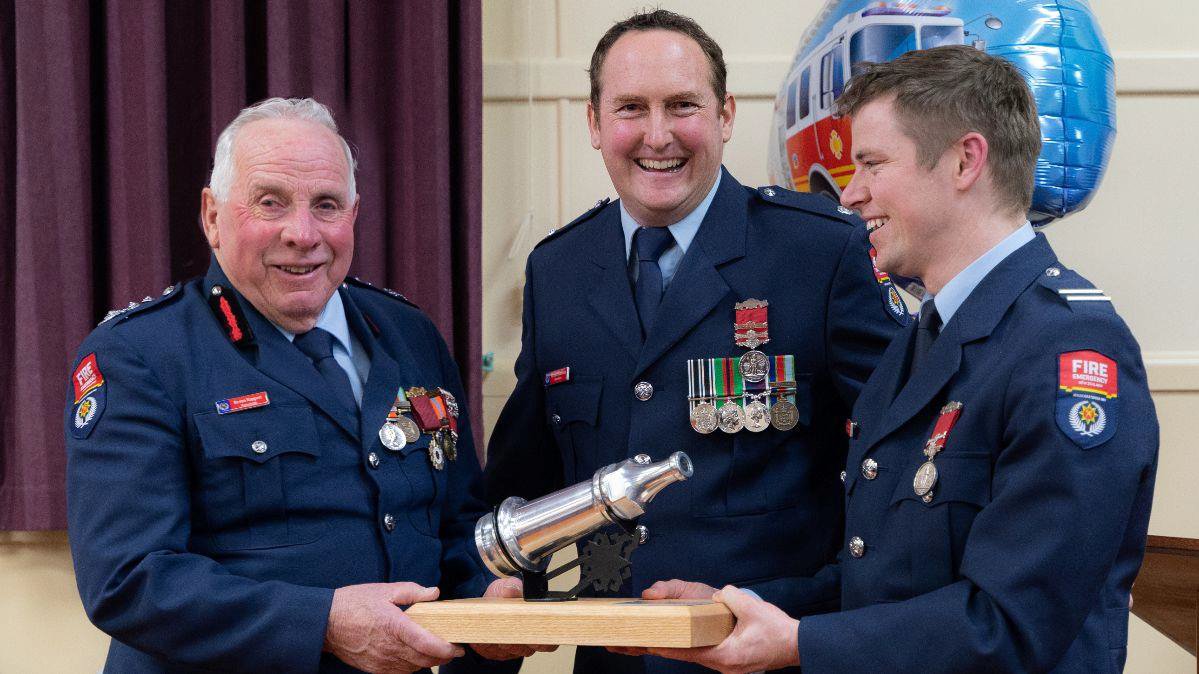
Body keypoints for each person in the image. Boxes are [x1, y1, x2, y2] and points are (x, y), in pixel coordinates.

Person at [635, 45, 1159, 674]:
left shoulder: (1066, 352)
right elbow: (880, 581)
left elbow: (1013, 625)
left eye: (873, 165)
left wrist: (800, 644)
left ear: (966, 160)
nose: (851, 195)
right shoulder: (927, 336)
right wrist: (737, 609)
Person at [482, 10, 905, 673]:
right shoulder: (557, 271)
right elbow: (527, 486)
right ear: (594, 123)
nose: (657, 135)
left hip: (766, 654)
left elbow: (899, 467)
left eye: (682, 106)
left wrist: (818, 603)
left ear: (725, 115)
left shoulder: (816, 253)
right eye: (630, 108)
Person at [65, 98, 526, 673]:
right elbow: (128, 578)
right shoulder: (140, 354)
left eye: (326, 205)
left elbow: (455, 521)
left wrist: (489, 596)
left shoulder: (408, 335)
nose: (302, 233)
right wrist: (324, 624)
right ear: (212, 216)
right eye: (270, 203)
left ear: (354, 216)